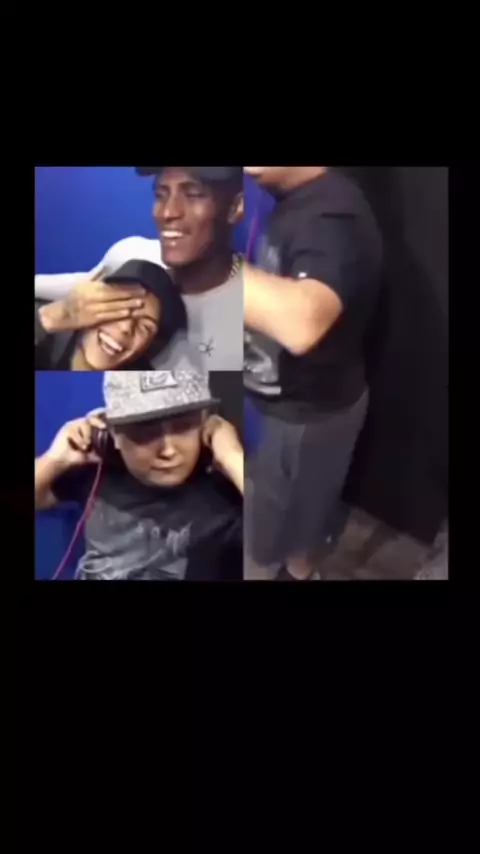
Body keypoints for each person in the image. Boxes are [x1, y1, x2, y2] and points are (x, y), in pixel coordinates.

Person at [243, 166, 383, 581]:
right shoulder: (295, 203)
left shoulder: (334, 216)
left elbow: (301, 323)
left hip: (308, 418)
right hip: (280, 409)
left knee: (279, 546)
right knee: (278, 528)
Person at [35, 363, 244, 580]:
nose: (168, 450)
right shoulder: (98, 472)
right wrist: (55, 459)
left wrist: (232, 458)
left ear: (204, 423)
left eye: (183, 427)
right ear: (111, 435)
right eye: (147, 432)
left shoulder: (228, 487)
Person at [35, 166, 244, 370]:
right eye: (161, 195)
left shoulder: (248, 313)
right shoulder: (134, 254)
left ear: (235, 207)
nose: (167, 212)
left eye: (193, 195)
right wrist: (51, 317)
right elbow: (79, 290)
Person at [35, 260, 187, 370]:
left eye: (145, 327)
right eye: (116, 306)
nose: (126, 328)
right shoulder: (46, 334)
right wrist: (49, 319)